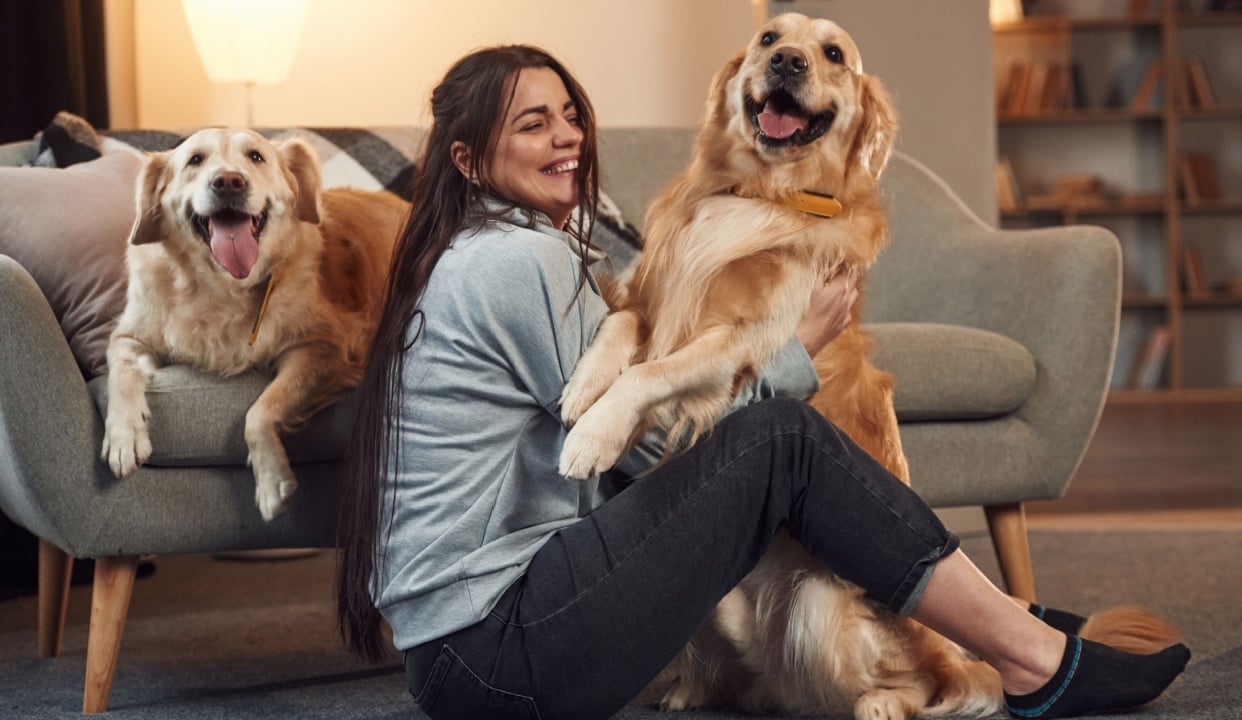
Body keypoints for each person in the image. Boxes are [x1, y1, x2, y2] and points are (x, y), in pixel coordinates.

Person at [336, 44, 1189, 720]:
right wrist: (797, 353)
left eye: (570, 116)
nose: (567, 138)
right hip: (499, 656)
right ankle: (1033, 655)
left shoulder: (471, 254)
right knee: (780, 437)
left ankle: (1013, 629)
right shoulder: (518, 261)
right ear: (468, 160)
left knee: (777, 441)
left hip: (464, 656)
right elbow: (651, 453)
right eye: (533, 125)